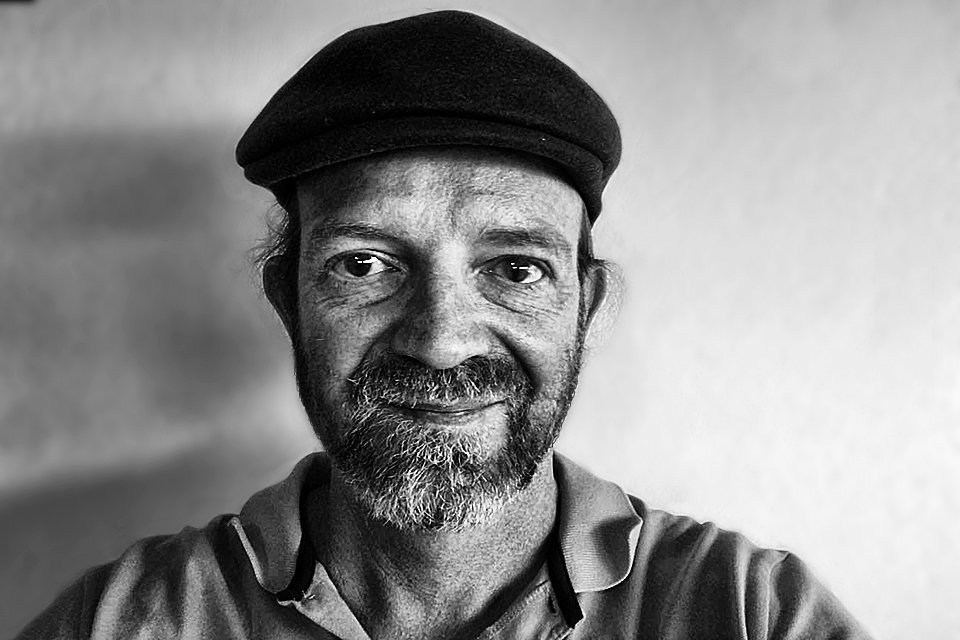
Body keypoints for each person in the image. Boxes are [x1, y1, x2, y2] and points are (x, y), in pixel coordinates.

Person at [16, 10, 872, 640]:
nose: (441, 340)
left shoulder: (754, 614)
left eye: (516, 269)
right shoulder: (120, 622)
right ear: (288, 299)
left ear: (586, 304)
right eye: (364, 264)